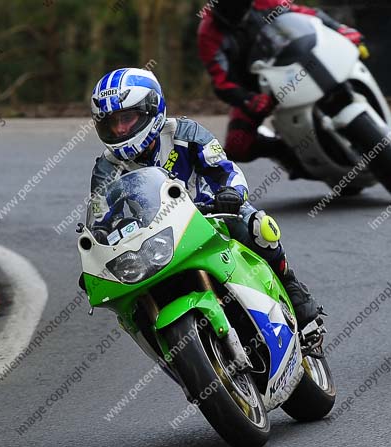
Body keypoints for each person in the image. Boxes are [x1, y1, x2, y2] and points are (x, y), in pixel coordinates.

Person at [87, 67, 321, 327]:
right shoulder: (106, 169)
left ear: (151, 110)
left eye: (127, 118)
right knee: (130, 304)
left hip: (211, 214)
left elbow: (224, 169)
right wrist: (97, 259)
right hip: (155, 240)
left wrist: (230, 193)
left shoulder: (185, 133)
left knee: (258, 226)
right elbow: (101, 220)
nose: (119, 130)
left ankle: (291, 285)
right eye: (111, 122)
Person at [197, 0, 365, 176]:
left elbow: (307, 14)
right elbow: (221, 81)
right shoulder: (208, 32)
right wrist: (247, 99)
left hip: (297, 65)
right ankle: (290, 155)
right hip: (256, 90)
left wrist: (340, 29)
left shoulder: (265, 2)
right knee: (237, 146)